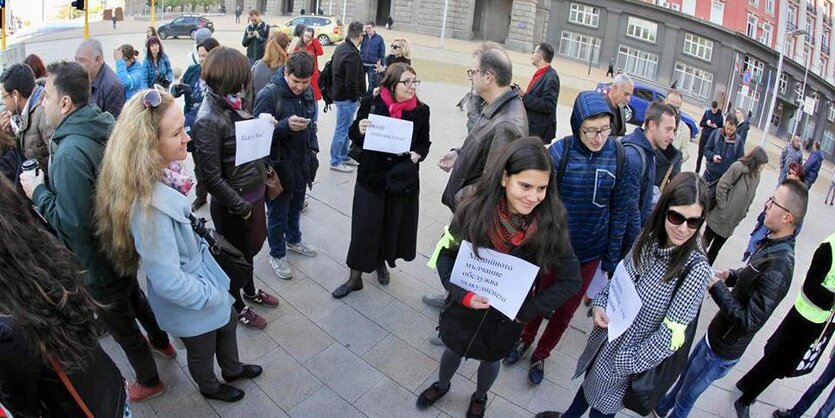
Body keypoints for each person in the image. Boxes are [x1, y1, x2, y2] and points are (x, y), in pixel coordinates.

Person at [18, 61, 173, 403]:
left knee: (121, 324)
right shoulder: (103, 123)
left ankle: (149, 379)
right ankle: (162, 342)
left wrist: (38, 192)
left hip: (96, 260)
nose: (41, 102)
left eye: (46, 96)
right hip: (120, 244)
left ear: (65, 104)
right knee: (134, 296)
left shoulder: (71, 152)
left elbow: (71, 222)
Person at [96, 89, 263, 403]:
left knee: (226, 323)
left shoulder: (166, 176)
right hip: (193, 298)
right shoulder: (149, 211)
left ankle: (232, 368)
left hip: (204, 282)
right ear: (149, 147)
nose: (187, 137)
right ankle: (210, 387)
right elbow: (168, 282)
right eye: (176, 133)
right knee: (202, 350)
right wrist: (211, 294)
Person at [416, 137, 582, 418]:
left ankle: (480, 397)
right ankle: (442, 384)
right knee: (453, 350)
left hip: (506, 319)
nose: (534, 197)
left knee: (491, 359)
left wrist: (528, 310)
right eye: (525, 186)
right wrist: (462, 295)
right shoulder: (472, 211)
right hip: (463, 308)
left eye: (542, 188)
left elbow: (572, 279)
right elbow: (445, 256)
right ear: (506, 178)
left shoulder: (549, 225)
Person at [538, 172, 713, 418]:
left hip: (627, 365)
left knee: (600, 411)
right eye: (676, 217)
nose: (684, 228)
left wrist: (622, 364)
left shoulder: (695, 270)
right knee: (585, 390)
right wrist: (598, 305)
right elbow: (621, 279)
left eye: (693, 222)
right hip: (604, 341)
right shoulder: (649, 236)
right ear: (664, 210)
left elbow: (669, 339)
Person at [654, 179, 808, 418]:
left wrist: (717, 288)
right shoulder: (772, 244)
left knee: (686, 398)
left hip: (721, 350)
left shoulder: (780, 266)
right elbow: (752, 275)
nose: (767, 205)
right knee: (685, 376)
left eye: (774, 201)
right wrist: (731, 276)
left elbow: (749, 321)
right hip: (715, 335)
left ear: (788, 217)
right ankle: (662, 407)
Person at [504, 91, 628, 385]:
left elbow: (620, 209)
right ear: (577, 126)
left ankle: (542, 354)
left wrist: (611, 257)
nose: (599, 138)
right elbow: (540, 201)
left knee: (565, 312)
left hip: (589, 252)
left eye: (605, 129)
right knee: (540, 300)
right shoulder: (561, 152)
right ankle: (525, 339)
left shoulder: (618, 156)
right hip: (553, 247)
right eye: (591, 130)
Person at [0, 175, 128, 417]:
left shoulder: (7, 326)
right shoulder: (40, 245)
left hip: (78, 405)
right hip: (104, 387)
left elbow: (23, 407)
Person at [193, 47, 279, 330]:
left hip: (252, 193)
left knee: (250, 252)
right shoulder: (208, 119)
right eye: (243, 77)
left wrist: (264, 125)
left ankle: (251, 291)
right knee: (234, 260)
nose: (246, 83)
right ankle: (238, 306)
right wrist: (241, 208)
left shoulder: (234, 102)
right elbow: (211, 177)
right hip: (235, 205)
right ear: (230, 79)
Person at [331, 63, 432, 298]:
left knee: (390, 225)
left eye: (415, 82)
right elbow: (353, 133)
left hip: (400, 180)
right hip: (372, 177)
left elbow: (424, 142)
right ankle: (354, 278)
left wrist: (418, 155)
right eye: (406, 82)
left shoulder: (421, 110)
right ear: (392, 84)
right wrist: (360, 128)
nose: (411, 87)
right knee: (364, 227)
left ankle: (381, 263)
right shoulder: (372, 103)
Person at [742, 234, 835, 417]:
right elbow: (811, 286)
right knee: (779, 362)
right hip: (805, 317)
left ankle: (746, 383)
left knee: (776, 356)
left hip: (819, 319)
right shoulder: (829, 248)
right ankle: (745, 399)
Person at [253, 52, 320, 281]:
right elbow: (256, 136)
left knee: (296, 207)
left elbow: (312, 125)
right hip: (278, 168)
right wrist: (284, 126)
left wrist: (313, 151)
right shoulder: (269, 95)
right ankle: (277, 253)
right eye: (295, 82)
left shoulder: (308, 92)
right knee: (277, 214)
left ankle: (294, 239)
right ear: (285, 73)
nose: (300, 87)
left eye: (305, 82)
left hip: (302, 164)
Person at [440, 42, 528, 212]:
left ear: (488, 77)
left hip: (472, 216)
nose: (471, 77)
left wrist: (459, 197)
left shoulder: (506, 125)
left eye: (473, 72)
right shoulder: (496, 105)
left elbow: (491, 186)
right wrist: (460, 154)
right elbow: (484, 148)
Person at [621, 101, 678, 255]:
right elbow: (630, 211)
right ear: (652, 126)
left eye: (674, 131)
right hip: (622, 244)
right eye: (668, 130)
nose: (672, 137)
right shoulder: (634, 157)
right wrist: (634, 249)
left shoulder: (650, 154)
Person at [171, 37, 220, 211]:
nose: (201, 59)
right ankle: (201, 196)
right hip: (192, 125)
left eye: (205, 55)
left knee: (213, 165)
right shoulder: (192, 70)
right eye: (199, 55)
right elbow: (175, 92)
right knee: (199, 164)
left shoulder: (220, 74)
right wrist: (177, 88)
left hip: (212, 128)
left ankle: (218, 197)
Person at [703, 147, 768, 265]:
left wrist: (744, 213)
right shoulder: (738, 167)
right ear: (756, 161)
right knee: (703, 245)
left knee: (715, 250)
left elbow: (751, 197)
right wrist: (724, 207)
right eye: (762, 165)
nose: (763, 168)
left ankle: (704, 272)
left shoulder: (756, 177)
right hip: (718, 216)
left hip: (731, 222)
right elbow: (722, 186)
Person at [742, 162, 805, 263]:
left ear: (797, 177)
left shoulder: (798, 199)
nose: (788, 175)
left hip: (772, 238)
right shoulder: (783, 188)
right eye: (788, 172)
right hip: (764, 230)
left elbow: (796, 227)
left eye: (791, 173)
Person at [0, 64, 52, 171]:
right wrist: (10, 135)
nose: (3, 103)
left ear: (15, 95)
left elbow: (57, 155)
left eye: (3, 96)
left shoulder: (42, 111)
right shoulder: (26, 112)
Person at [329, 21, 366, 172]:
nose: (364, 37)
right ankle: (335, 161)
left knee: (346, 128)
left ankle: (344, 155)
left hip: (341, 96)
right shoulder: (351, 53)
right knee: (342, 129)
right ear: (359, 36)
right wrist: (355, 98)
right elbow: (350, 80)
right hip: (346, 98)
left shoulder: (342, 47)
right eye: (363, 34)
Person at [75, 39, 125, 118]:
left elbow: (113, 125)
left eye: (82, 60)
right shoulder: (84, 77)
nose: (77, 65)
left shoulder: (112, 86)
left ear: (97, 60)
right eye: (76, 60)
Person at [523, 42, 560, 143]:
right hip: (531, 128)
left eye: (533, 52)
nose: (531, 55)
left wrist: (524, 97)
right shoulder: (541, 74)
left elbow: (548, 105)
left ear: (539, 56)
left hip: (537, 132)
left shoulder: (551, 77)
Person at [702, 112, 741, 186]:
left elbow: (740, 162)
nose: (728, 131)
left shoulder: (738, 142)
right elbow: (706, 150)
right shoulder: (716, 133)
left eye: (731, 130)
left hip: (725, 180)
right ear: (725, 124)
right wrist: (713, 157)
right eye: (727, 128)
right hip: (709, 175)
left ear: (736, 128)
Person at [295, 26, 324, 107]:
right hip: (302, 74)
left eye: (309, 37)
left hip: (313, 75)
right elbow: (292, 55)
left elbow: (320, 52)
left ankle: (314, 118)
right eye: (305, 36)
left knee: (314, 99)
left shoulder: (313, 44)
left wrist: (315, 41)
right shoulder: (299, 45)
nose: (306, 38)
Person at [696, 101, 723, 173]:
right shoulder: (707, 112)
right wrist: (706, 123)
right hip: (704, 136)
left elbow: (721, 129)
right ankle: (696, 171)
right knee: (700, 155)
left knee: (709, 157)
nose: (714, 111)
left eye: (715, 110)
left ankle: (707, 172)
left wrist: (716, 127)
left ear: (717, 108)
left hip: (712, 139)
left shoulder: (720, 117)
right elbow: (701, 124)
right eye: (712, 109)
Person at [360, 22, 386, 96]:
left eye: (369, 28)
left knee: (371, 82)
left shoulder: (379, 38)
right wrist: (363, 31)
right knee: (361, 80)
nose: (368, 29)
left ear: (374, 28)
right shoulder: (363, 36)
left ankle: (369, 96)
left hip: (372, 64)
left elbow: (382, 51)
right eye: (366, 28)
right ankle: (362, 94)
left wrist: (382, 64)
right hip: (362, 63)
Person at [665, 90, 690, 163]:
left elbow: (685, 152)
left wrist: (676, 160)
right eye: (670, 106)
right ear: (665, 102)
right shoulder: (653, 121)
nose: (673, 110)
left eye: (677, 108)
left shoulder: (685, 130)